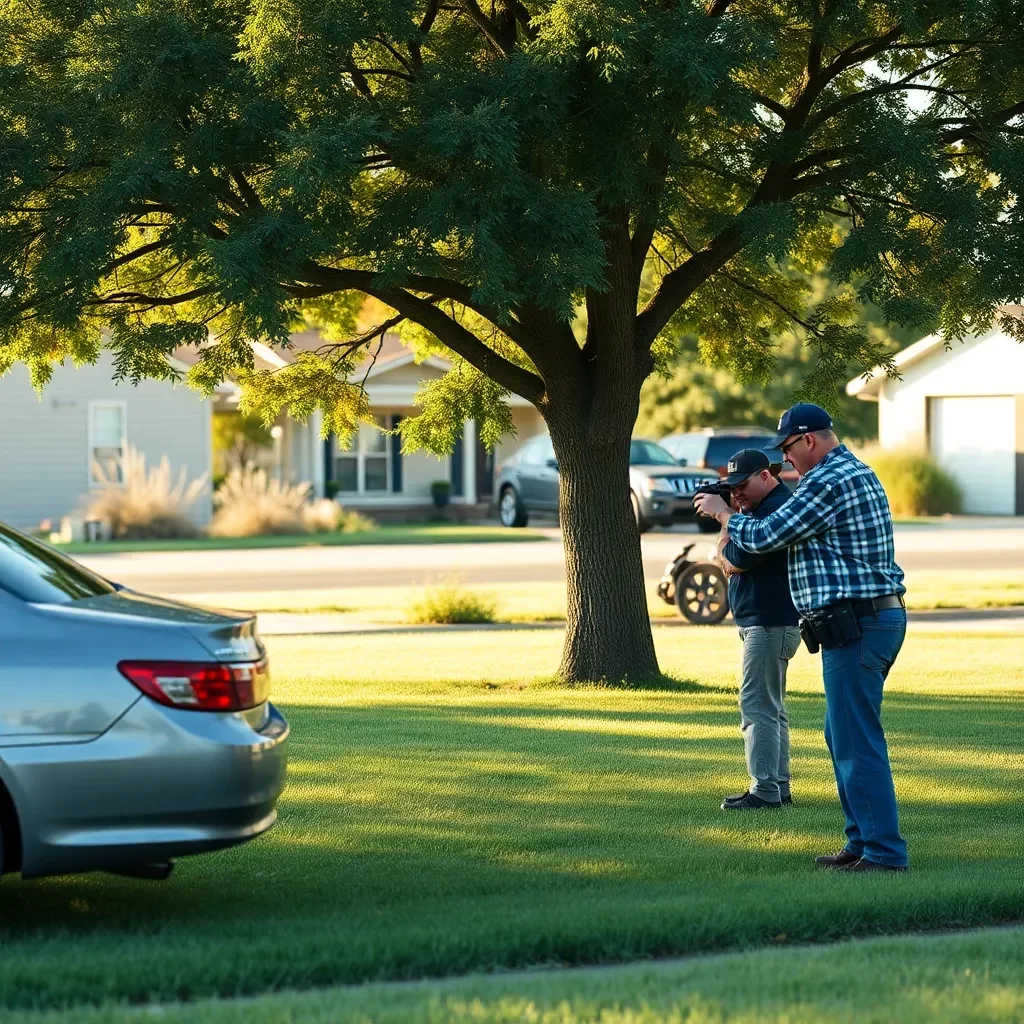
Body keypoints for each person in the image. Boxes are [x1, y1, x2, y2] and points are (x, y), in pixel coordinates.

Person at [694, 403, 908, 873]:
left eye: (788, 451)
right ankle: (861, 842)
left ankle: (884, 854)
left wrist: (725, 516)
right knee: (842, 733)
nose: (787, 462)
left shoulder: (829, 479)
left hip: (858, 622)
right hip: (864, 621)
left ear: (808, 440)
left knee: (855, 737)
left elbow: (768, 533)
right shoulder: (850, 472)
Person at [714, 449, 801, 812]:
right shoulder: (760, 510)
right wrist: (729, 533)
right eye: (731, 489)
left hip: (767, 622)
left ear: (766, 476)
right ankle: (777, 786)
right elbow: (730, 559)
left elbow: (737, 560)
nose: (736, 495)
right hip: (767, 622)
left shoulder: (772, 509)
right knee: (771, 708)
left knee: (758, 708)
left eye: (742, 485)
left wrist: (724, 523)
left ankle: (765, 791)